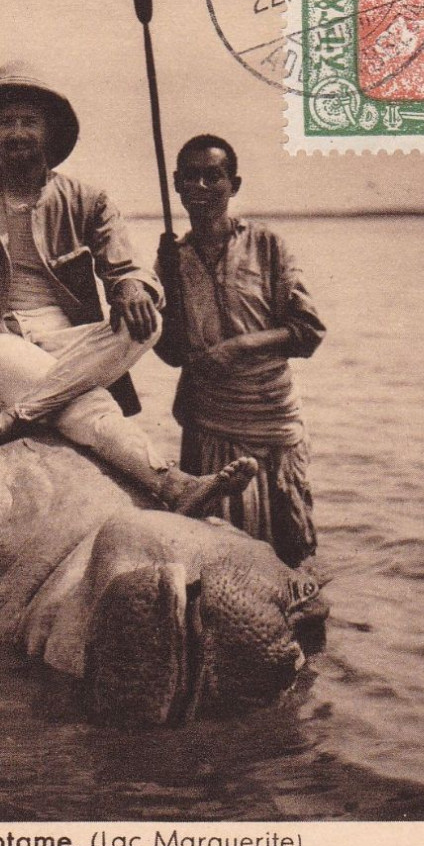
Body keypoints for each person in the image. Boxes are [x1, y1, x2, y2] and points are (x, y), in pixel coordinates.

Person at [0, 61, 254, 516]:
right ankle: (173, 483)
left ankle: (13, 419)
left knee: (147, 321)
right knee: (89, 402)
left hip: (72, 348)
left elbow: (129, 268)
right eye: (6, 122)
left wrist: (133, 289)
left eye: (29, 121)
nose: (17, 132)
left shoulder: (87, 200)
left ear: (49, 132)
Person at [154, 134, 326, 567]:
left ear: (234, 184)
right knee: (210, 548)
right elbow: (172, 354)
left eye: (214, 176)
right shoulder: (171, 259)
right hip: (207, 417)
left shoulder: (267, 246)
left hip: (271, 417)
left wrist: (240, 347)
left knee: (291, 550)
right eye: (190, 177)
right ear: (175, 184)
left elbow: (309, 331)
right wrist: (156, 299)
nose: (202, 187)